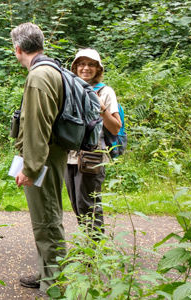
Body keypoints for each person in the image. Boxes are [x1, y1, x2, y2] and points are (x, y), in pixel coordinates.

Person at [10, 23, 67, 293]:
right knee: (46, 217)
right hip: (50, 155)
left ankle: (55, 286)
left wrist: (31, 168)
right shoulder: (52, 68)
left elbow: (36, 127)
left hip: (43, 160)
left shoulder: (39, 76)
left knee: (47, 220)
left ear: (18, 49)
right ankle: (48, 277)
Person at [65, 48, 122, 234]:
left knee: (89, 207)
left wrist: (102, 108)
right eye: (81, 64)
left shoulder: (106, 92)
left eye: (91, 64)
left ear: (98, 69)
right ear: (75, 67)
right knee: (77, 206)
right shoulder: (69, 88)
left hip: (92, 156)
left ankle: (93, 256)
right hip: (69, 157)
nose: (85, 68)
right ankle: (88, 251)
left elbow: (115, 127)